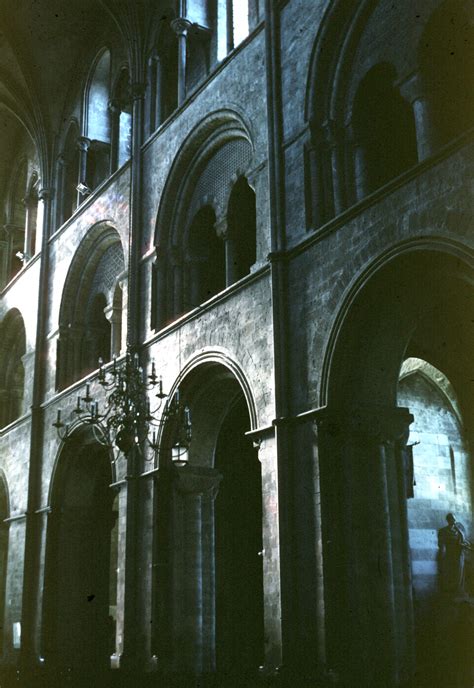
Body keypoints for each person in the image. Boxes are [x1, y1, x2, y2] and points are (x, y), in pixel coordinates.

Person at [438, 513, 468, 595]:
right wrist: (443, 552)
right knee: (451, 574)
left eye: (455, 519)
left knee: (459, 573)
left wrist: (465, 544)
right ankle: (451, 593)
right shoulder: (443, 531)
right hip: (450, 556)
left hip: (459, 555)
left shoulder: (459, 531)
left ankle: (459, 591)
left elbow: (463, 541)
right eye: (453, 519)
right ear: (448, 520)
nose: (455, 521)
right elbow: (441, 544)